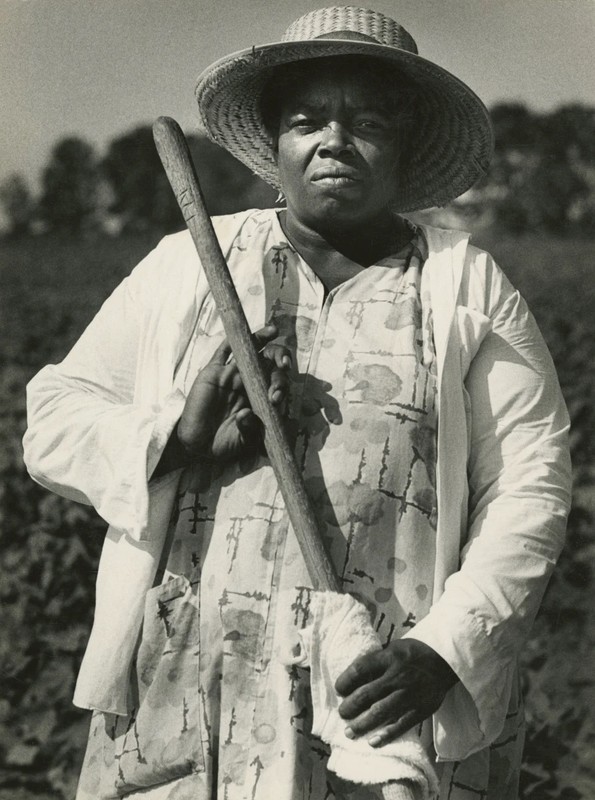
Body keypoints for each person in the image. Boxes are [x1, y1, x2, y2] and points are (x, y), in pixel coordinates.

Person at [23, 6, 572, 800]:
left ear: (406, 144)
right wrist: (178, 439)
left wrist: (445, 649)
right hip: (192, 679)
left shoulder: (466, 285)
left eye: (368, 121)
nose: (334, 141)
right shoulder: (189, 264)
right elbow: (56, 417)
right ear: (276, 144)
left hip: (382, 693)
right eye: (308, 119)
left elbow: (530, 486)